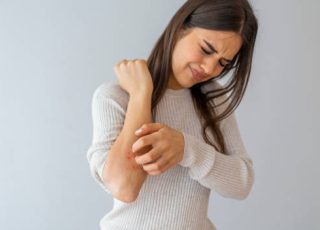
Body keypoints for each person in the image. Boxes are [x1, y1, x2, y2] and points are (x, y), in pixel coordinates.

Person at [86, 0, 258, 229]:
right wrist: (141, 94)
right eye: (206, 49)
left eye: (223, 63)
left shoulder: (213, 101)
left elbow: (242, 183)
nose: (209, 68)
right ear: (179, 28)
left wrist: (188, 149)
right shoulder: (116, 97)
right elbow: (123, 186)